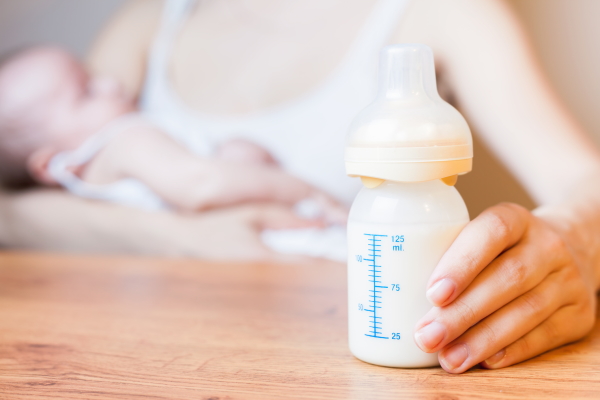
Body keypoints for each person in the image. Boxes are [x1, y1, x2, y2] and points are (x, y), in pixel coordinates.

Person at [0, 0, 599, 374]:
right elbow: (34, 199)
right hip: (154, 349)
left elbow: (583, 180)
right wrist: (181, 238)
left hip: (321, 362)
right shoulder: (146, 22)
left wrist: (571, 237)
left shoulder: (443, 12)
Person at [0, 46, 343, 218]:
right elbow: (202, 185)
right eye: (87, 91)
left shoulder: (96, 180)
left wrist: (238, 155)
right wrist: (309, 192)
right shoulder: (124, 141)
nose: (111, 83)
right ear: (48, 165)